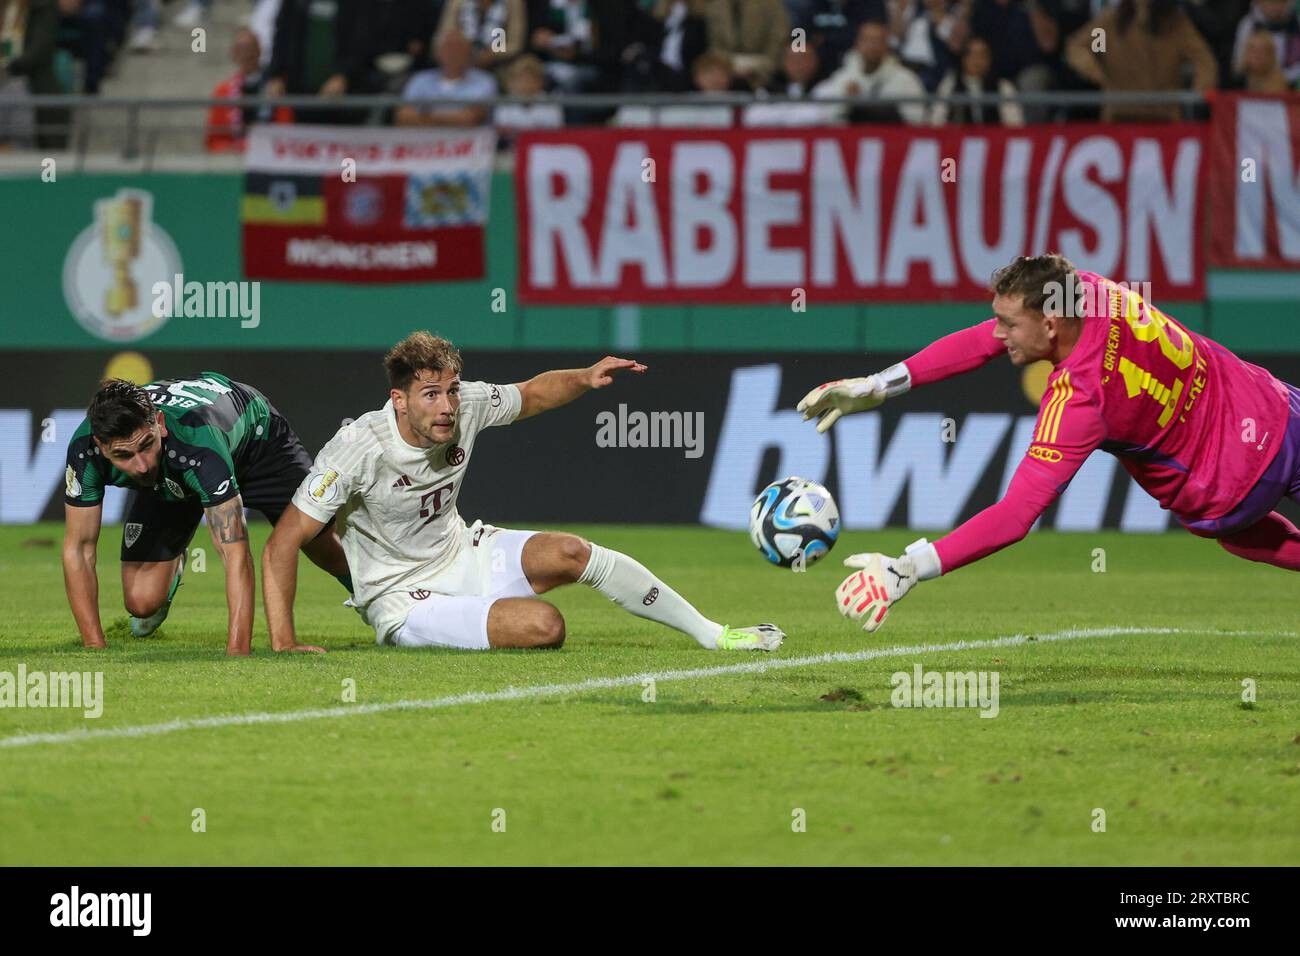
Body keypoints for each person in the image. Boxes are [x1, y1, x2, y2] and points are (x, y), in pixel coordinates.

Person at [797, 254, 1299, 633]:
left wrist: (909, 568)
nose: (999, 334)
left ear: (1050, 323)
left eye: (1009, 324)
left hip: (1232, 489)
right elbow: (981, 341)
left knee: (1238, 533)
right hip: (1278, 412)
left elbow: (1015, 517)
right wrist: (881, 383)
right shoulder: (1095, 291)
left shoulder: (1079, 399)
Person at [262, 333, 785, 653]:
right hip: (402, 598)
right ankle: (477, 616)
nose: (447, 405)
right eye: (430, 394)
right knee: (543, 626)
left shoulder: (467, 403)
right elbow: (285, 541)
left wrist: (583, 376)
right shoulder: (357, 448)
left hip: (459, 553)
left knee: (572, 551)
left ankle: (711, 634)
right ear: (398, 400)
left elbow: (533, 394)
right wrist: (284, 641)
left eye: (450, 389)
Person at [63, 374, 351, 655]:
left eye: (145, 446)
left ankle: (381, 600)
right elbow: (79, 549)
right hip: (177, 473)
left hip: (260, 446)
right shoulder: (85, 450)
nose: (140, 466)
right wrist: (94, 645)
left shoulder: (199, 445)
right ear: (101, 446)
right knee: (141, 602)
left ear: (159, 424)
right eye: (124, 456)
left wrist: (237, 653)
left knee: (321, 545)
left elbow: (234, 555)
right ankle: (175, 560)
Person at [1065, 0, 1217, 123]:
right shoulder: (1111, 23)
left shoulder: (1175, 25)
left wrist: (1202, 88)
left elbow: (1203, 59)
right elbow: (1079, 47)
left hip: (1164, 118)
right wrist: (1094, 71)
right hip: (1119, 117)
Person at [813, 19, 927, 125]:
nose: (872, 46)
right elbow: (825, 116)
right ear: (857, 44)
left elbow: (916, 120)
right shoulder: (844, 77)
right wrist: (846, 100)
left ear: (886, 45)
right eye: (867, 40)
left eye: (878, 40)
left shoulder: (905, 79)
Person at [206, 27, 292, 153]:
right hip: (233, 159)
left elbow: (286, 129)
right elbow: (214, 140)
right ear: (233, 54)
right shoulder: (222, 92)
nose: (246, 54)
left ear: (259, 51)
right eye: (240, 49)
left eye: (250, 49)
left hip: (270, 154)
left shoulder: (276, 87)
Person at [396, 27, 497, 128]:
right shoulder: (420, 79)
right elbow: (403, 117)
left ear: (469, 52)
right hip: (422, 141)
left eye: (459, 48)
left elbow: (470, 118)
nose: (453, 53)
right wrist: (450, 117)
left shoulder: (485, 81)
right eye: (448, 48)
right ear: (437, 53)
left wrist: (425, 115)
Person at [929, 34, 1024, 125]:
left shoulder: (1003, 86)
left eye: (982, 55)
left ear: (990, 59)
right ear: (963, 59)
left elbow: (1014, 124)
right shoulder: (950, 84)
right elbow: (936, 121)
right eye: (972, 54)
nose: (977, 60)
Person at [1232, 0, 1300, 87]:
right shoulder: (1248, 24)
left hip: (1293, 84)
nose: (1274, 7)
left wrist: (1284, 77)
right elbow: (1239, 60)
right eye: (1269, 3)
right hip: (1254, 83)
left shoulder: (1297, 23)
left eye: (1279, 2)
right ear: (1259, 3)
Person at [1239, 25, 1292, 91]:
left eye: (1263, 51)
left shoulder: (1279, 82)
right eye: (1253, 50)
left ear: (1271, 54)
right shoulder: (1237, 80)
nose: (1257, 55)